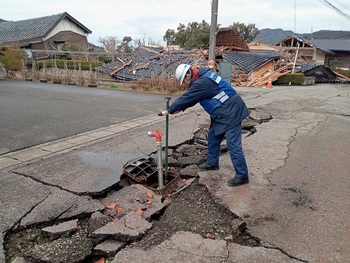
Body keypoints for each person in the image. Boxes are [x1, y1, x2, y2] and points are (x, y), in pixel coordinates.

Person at [159, 64, 250, 186]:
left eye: (184, 81)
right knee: (213, 136)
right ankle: (212, 163)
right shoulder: (203, 76)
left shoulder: (202, 82)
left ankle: (242, 175)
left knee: (233, 144)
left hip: (231, 111)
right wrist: (180, 108)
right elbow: (195, 97)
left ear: (187, 75)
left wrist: (169, 110)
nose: (185, 84)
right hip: (222, 111)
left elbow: (189, 96)